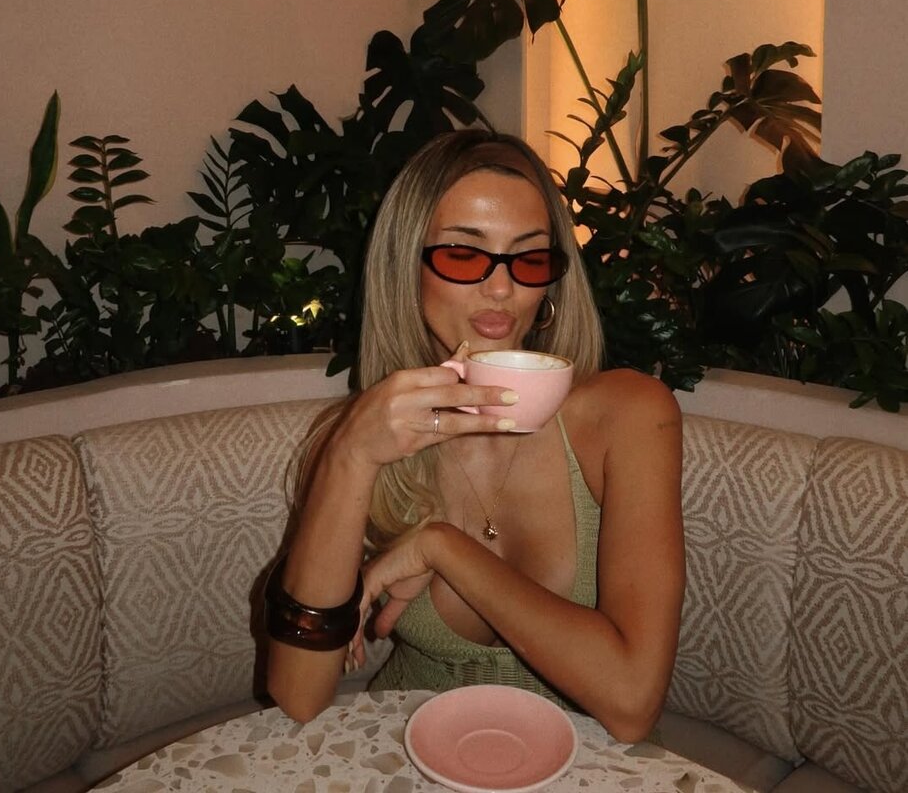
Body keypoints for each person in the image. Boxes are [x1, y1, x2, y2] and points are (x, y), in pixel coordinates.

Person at [266, 129, 684, 743]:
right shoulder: (366, 437)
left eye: (530, 258)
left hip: (581, 765)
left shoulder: (628, 415)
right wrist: (348, 456)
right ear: (405, 269)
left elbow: (631, 702)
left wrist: (442, 549)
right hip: (409, 751)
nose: (502, 287)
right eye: (464, 254)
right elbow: (298, 694)